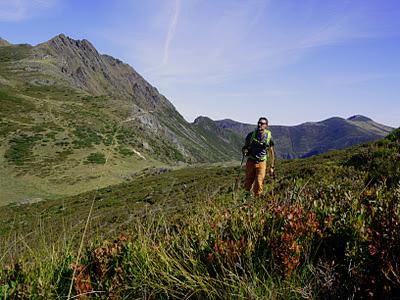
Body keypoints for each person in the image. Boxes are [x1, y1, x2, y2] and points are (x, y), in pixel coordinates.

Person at [242, 117, 275, 197]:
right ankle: (246, 199)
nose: (259, 125)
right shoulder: (251, 135)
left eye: (262, 123)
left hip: (261, 162)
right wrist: (245, 151)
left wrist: (271, 166)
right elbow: (245, 147)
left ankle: (256, 201)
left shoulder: (269, 137)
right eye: (258, 123)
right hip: (251, 161)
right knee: (248, 182)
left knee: (259, 183)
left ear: (266, 125)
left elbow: (271, 152)